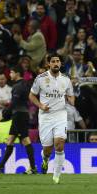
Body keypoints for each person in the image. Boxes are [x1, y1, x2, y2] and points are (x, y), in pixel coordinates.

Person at [29, 53, 75, 184]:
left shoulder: (66, 79)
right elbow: (32, 95)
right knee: (47, 149)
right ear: (48, 64)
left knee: (59, 144)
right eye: (53, 61)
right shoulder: (40, 78)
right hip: (45, 117)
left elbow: (71, 96)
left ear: (60, 64)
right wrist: (40, 105)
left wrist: (71, 100)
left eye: (58, 61)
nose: (56, 63)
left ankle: (56, 176)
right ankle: (45, 159)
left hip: (60, 115)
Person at [0, 66, 37, 174]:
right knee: (10, 140)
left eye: (11, 72)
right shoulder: (25, 84)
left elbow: (13, 104)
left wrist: (2, 116)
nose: (10, 75)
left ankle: (33, 168)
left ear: (17, 74)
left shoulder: (17, 87)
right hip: (21, 114)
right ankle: (0, 167)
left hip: (19, 115)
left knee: (25, 140)